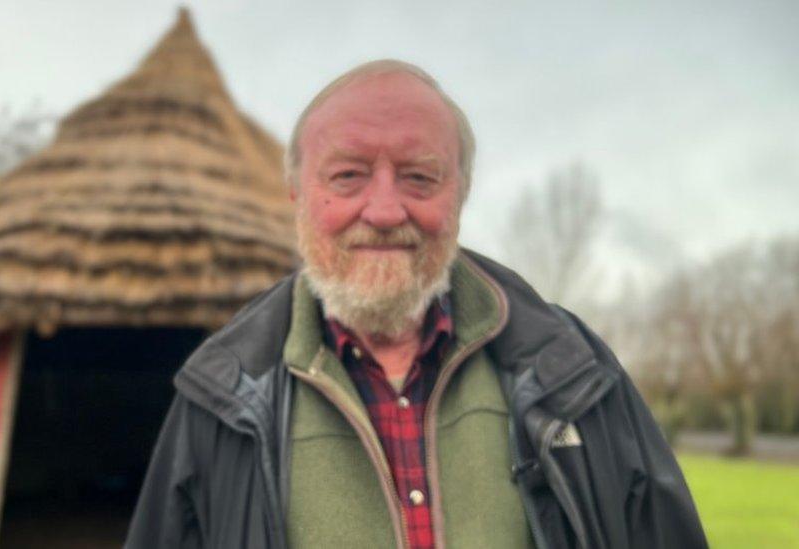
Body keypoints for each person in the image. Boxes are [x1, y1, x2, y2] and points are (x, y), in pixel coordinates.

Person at [124, 60, 707, 549]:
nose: (383, 211)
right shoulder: (217, 396)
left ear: (460, 193)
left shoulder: (576, 371)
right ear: (298, 195)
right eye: (349, 175)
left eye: (419, 178)